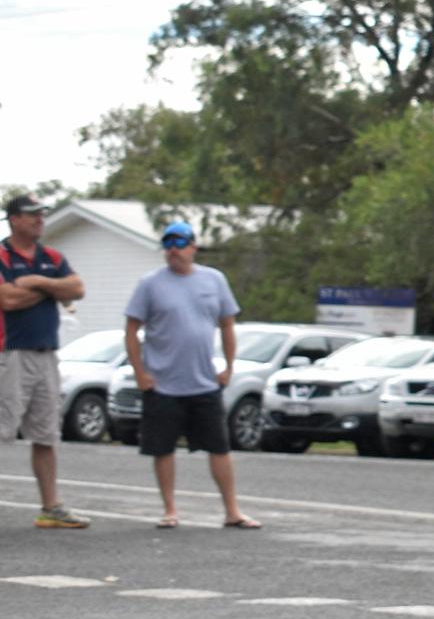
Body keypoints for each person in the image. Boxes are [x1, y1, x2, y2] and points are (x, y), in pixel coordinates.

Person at [122, 219, 257, 530]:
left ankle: (232, 510)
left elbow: (227, 324)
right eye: (168, 244)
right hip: (163, 383)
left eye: (179, 243)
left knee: (219, 446)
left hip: (204, 380)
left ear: (193, 247)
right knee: (163, 448)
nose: (173, 250)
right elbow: (131, 330)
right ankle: (170, 509)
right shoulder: (150, 284)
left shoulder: (214, 280)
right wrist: (140, 372)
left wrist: (229, 366)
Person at [0, 195, 89, 528]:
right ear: (13, 219)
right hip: (9, 355)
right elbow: (7, 299)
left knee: (46, 434)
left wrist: (38, 282)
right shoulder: (2, 255)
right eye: (31, 215)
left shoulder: (51, 257)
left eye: (41, 215)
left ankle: (51, 507)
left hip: (46, 355)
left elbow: (77, 288)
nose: (40, 220)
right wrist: (55, 290)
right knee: (3, 427)